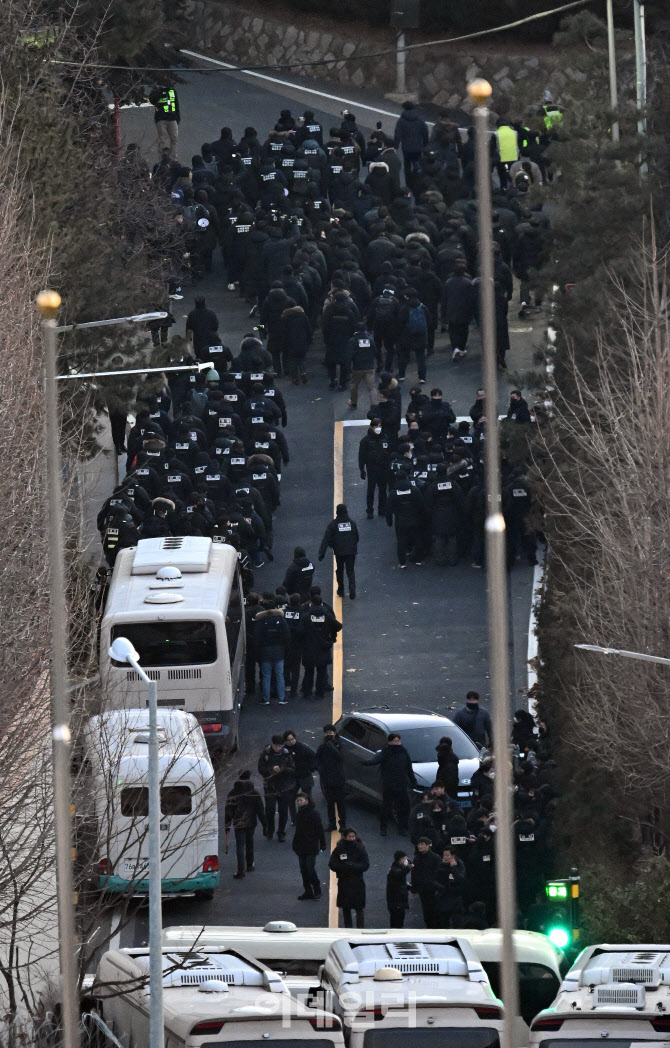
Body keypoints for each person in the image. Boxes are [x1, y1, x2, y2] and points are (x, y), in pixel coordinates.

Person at [364, 732, 417, 836]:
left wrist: (413, 781)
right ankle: (383, 828)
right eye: (395, 741)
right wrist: (366, 762)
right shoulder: (386, 752)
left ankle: (402, 828)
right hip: (389, 785)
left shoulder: (403, 752)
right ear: (390, 742)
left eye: (398, 741)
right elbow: (376, 760)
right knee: (386, 807)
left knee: (403, 807)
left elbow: (408, 768)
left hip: (401, 785)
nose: (397, 743)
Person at [224, 770, 267, 879]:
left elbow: (228, 810)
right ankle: (250, 865)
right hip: (251, 821)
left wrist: (227, 825)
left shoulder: (233, 793)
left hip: (238, 822)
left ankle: (240, 870)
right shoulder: (254, 793)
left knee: (240, 845)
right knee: (250, 842)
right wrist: (265, 825)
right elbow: (260, 810)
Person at [299, 593, 342, 698]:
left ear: (312, 603)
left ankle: (307, 692)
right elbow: (338, 626)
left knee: (309, 671)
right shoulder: (327, 615)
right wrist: (330, 634)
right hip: (323, 646)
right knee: (321, 671)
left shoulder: (306, 616)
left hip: (309, 647)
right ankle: (320, 693)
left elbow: (300, 631)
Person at [257, 734, 296, 841]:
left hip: (284, 787)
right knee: (270, 810)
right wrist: (271, 769)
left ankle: (281, 832)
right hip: (270, 786)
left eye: (280, 746)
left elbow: (293, 769)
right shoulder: (266, 754)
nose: (278, 748)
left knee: (283, 811)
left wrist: (283, 769)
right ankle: (270, 830)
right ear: (272, 744)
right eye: (276, 746)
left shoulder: (287, 755)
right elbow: (260, 769)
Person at [329, 827, 369, 928]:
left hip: (357, 882)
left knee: (359, 908)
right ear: (345, 837)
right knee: (346, 908)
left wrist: (353, 866)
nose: (352, 838)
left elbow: (366, 865)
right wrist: (344, 867)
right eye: (350, 837)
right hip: (344, 882)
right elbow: (332, 863)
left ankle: (360, 928)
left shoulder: (360, 848)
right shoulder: (339, 849)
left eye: (353, 836)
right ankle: (348, 928)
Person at [318, 503, 359, 600]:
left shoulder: (333, 524)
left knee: (339, 571)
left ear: (337, 512)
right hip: (351, 551)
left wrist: (322, 553)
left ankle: (341, 589)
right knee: (350, 571)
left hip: (339, 552)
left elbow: (326, 539)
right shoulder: (352, 523)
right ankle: (352, 590)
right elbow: (356, 537)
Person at [254, 598, 290, 705]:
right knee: (279, 675)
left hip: (265, 651)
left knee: (266, 675)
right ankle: (282, 698)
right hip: (279, 651)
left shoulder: (261, 621)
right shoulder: (281, 620)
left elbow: (257, 638)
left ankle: (266, 698)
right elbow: (287, 636)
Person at [292, 792, 326, 900]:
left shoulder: (314, 813)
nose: (299, 802)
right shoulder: (299, 814)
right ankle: (308, 891)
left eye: (301, 800)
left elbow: (320, 829)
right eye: (298, 801)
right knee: (303, 870)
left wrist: (322, 843)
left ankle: (317, 889)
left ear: (306, 800)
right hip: (301, 846)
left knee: (310, 868)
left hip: (311, 845)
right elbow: (298, 831)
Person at [316, 724, 347, 831]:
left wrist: (330, 745)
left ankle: (342, 824)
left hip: (338, 780)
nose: (328, 735)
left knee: (341, 803)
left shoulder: (338, 744)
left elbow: (340, 757)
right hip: (327, 780)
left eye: (330, 733)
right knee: (330, 804)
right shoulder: (322, 746)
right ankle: (332, 823)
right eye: (326, 733)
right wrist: (320, 769)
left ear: (334, 733)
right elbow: (317, 759)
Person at [396, 288, 431, 384]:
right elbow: (428, 320)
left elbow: (400, 322)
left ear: (407, 296)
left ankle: (402, 375)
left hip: (407, 336)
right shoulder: (423, 307)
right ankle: (422, 377)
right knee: (420, 357)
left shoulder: (405, 308)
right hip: (421, 336)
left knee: (404, 356)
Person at [358, 420, 391, 519]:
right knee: (371, 490)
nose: (378, 428)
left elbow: (388, 452)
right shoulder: (365, 441)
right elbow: (362, 456)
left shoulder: (385, 438)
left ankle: (382, 509)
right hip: (372, 468)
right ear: (372, 427)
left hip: (383, 468)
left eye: (380, 426)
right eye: (377, 426)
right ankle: (370, 510)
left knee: (383, 490)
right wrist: (362, 469)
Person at [393, 100, 429, 184]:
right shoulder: (420, 119)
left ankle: (408, 184)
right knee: (417, 162)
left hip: (406, 147)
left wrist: (395, 147)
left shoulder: (401, 120)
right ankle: (418, 180)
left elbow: (397, 134)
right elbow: (425, 132)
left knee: (407, 166)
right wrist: (425, 144)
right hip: (418, 146)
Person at [411, 837, 442, 927]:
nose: (420, 846)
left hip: (433, 889)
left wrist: (438, 888)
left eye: (423, 844)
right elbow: (414, 874)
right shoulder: (417, 858)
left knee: (434, 910)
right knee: (426, 910)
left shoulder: (436, 858)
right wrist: (414, 889)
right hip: (423, 889)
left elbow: (440, 874)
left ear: (428, 845)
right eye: (419, 844)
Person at [433, 846, 467, 928]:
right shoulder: (441, 864)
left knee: (457, 921)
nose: (445, 857)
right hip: (443, 895)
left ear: (453, 856)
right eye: (444, 855)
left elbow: (460, 879)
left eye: (447, 855)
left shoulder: (459, 864)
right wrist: (439, 888)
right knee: (443, 920)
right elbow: (434, 879)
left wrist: (453, 867)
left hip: (455, 896)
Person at [283, 729, 317, 810]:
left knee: (307, 798)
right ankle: (294, 820)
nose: (291, 742)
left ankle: (307, 815)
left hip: (305, 776)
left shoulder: (302, 747)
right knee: (291, 800)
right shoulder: (284, 750)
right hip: (292, 778)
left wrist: (311, 768)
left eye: (292, 739)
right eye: (288, 740)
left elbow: (313, 757)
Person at [347, 324, 378, 410]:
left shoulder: (353, 340)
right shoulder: (370, 340)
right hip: (369, 367)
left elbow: (349, 355)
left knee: (354, 385)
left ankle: (353, 402)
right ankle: (374, 405)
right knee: (371, 387)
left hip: (357, 367)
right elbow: (375, 351)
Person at [149, 85, 180, 160]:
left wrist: (178, 118)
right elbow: (153, 101)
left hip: (172, 118)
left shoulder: (172, 91)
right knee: (162, 139)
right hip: (161, 118)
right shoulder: (157, 90)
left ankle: (173, 158)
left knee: (174, 138)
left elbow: (176, 104)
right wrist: (160, 91)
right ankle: (163, 158)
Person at [387, 850, 412, 928]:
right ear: (401, 859)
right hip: (397, 901)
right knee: (397, 921)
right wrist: (408, 868)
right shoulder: (395, 870)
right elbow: (400, 875)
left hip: (396, 900)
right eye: (405, 858)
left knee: (397, 920)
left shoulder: (395, 867)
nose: (406, 860)